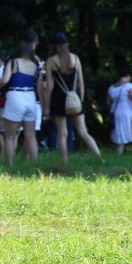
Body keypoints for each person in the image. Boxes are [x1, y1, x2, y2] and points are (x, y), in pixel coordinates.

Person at [43, 31, 102, 165]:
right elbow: (81, 83)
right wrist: (79, 100)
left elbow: (49, 86)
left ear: (53, 46)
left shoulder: (51, 61)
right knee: (82, 131)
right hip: (74, 98)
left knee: (62, 134)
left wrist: (47, 106)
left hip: (59, 98)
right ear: (67, 44)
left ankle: (64, 162)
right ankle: (99, 158)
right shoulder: (75, 58)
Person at [0, 44, 43, 166]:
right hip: (31, 98)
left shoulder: (13, 62)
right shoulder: (35, 66)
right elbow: (40, 88)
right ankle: (35, 165)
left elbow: (4, 80)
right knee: (31, 136)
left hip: (15, 96)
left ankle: (9, 165)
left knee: (10, 136)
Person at [106, 67, 132, 154]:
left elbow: (108, 102)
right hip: (128, 112)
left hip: (116, 113)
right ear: (128, 76)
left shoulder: (111, 88)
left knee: (119, 132)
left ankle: (119, 152)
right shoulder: (129, 86)